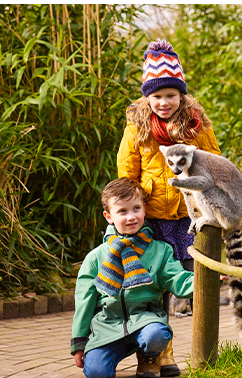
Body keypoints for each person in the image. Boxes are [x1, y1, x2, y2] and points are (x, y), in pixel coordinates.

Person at [117, 39, 222, 376]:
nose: (164, 103)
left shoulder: (195, 123)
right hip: (153, 218)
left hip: (188, 218)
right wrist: (132, 210)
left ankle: (204, 354)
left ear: (181, 95)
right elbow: (127, 172)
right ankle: (155, 355)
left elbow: (214, 160)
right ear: (148, 97)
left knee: (190, 284)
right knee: (152, 289)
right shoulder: (138, 126)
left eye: (170, 96)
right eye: (157, 96)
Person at [71, 178, 194, 378]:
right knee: (96, 372)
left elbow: (178, 279)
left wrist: (205, 281)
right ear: (108, 216)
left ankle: (150, 355)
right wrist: (79, 343)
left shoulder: (160, 250)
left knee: (156, 335)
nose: (131, 217)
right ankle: (105, 356)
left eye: (136, 209)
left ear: (145, 210)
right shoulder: (96, 257)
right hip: (107, 327)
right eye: (122, 211)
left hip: (145, 321)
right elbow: (84, 301)